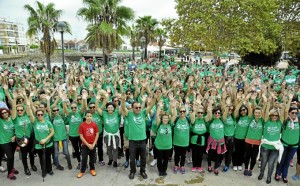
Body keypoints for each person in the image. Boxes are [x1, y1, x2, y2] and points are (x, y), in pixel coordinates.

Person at [121, 91, 159, 180]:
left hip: (142, 140)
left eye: (139, 107)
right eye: (136, 107)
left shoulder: (143, 112)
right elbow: (123, 108)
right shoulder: (129, 114)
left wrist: (154, 97)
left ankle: (142, 171)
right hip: (132, 141)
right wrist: (123, 100)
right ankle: (132, 171)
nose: (138, 108)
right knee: (132, 158)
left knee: (143, 158)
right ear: (132, 108)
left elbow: (151, 106)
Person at [258, 100, 285, 184]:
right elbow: (266, 112)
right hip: (265, 146)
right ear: (270, 116)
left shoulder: (279, 123)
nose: (275, 116)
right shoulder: (266, 121)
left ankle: (269, 176)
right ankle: (261, 173)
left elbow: (285, 113)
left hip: (275, 147)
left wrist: (281, 107)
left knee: (271, 163)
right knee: (263, 162)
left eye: (276, 115)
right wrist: (267, 102)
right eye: (273, 115)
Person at [275, 103, 299, 183]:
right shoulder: (285, 120)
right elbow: (284, 111)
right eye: (292, 112)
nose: (294, 114)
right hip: (284, 145)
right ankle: (278, 174)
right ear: (289, 113)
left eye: (296, 113)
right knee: (281, 161)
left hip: (294, 146)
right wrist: (288, 100)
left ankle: (284, 175)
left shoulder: (299, 121)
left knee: (287, 162)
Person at [154, 95, 175, 176]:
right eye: (164, 118)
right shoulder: (159, 124)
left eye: (166, 118)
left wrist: (172, 107)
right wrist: (159, 107)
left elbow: (174, 115)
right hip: (159, 146)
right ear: (162, 119)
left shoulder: (170, 124)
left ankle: (164, 170)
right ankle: (160, 170)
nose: (165, 119)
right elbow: (157, 116)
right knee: (159, 159)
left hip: (168, 146)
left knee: (166, 159)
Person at [190, 98, 211, 173]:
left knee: (200, 154)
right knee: (194, 153)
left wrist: (209, 109)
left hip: (202, 139)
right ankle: (194, 166)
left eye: (201, 113)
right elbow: (192, 119)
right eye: (198, 113)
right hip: (194, 139)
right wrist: (195, 110)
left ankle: (199, 166)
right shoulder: (195, 118)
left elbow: (209, 116)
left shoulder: (204, 119)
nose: (200, 114)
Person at [232, 96, 253, 171]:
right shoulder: (238, 117)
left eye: (244, 110)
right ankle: (234, 164)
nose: (243, 111)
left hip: (245, 138)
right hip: (236, 137)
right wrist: (241, 102)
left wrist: (247, 101)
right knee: (235, 152)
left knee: (242, 152)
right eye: (241, 111)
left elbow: (250, 110)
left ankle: (240, 164)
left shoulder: (249, 117)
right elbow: (237, 109)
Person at [76, 110, 99, 178]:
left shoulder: (94, 124)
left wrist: (94, 144)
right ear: (85, 116)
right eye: (87, 116)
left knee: (92, 158)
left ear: (92, 117)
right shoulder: (82, 125)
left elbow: (97, 134)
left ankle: (92, 169)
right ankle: (82, 171)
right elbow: (81, 136)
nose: (89, 117)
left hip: (93, 144)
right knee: (84, 158)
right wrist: (87, 144)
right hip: (85, 145)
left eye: (90, 116)